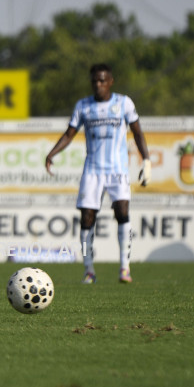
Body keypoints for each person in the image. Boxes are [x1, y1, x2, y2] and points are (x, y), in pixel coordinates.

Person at [45, 63, 150, 284]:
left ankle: (124, 267)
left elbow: (138, 132)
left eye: (102, 80)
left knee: (122, 213)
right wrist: (52, 153)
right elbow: (69, 133)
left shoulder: (123, 103)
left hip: (117, 170)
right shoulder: (83, 106)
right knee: (86, 219)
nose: (98, 84)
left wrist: (146, 159)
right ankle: (88, 269)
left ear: (111, 81)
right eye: (95, 81)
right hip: (92, 170)